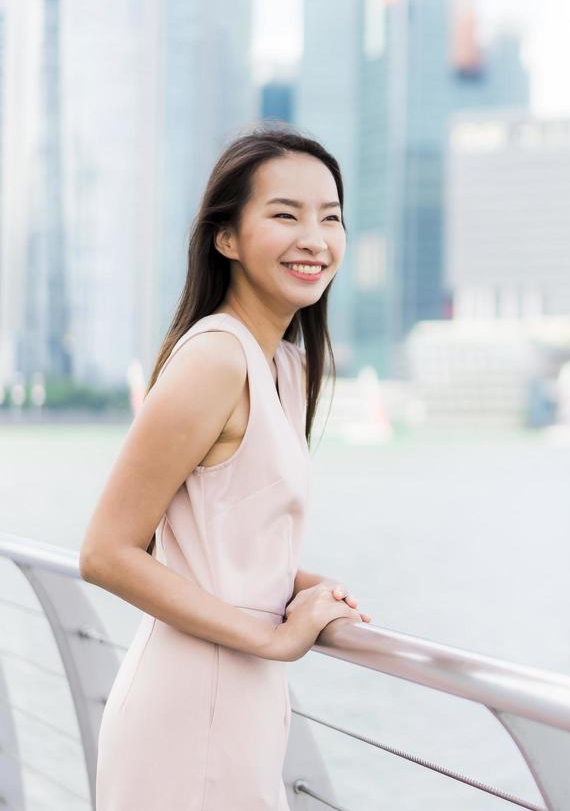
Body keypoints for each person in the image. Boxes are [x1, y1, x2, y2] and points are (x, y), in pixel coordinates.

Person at [80, 127, 371, 809]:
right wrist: (272, 638)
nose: (315, 238)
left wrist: (303, 585)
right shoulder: (216, 358)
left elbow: (210, 531)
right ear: (227, 239)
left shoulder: (286, 366)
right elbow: (107, 551)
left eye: (330, 218)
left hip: (238, 709)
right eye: (284, 214)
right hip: (189, 713)